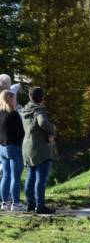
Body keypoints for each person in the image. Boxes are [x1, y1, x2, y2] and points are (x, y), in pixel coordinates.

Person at [21, 86, 57, 214]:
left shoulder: (25, 110)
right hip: (40, 148)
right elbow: (42, 123)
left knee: (30, 177)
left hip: (27, 147)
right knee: (40, 179)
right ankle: (40, 206)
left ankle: (30, 204)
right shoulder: (39, 109)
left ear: (30, 96)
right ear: (41, 98)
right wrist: (53, 129)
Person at [0, 90, 25, 211]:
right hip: (14, 147)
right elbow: (21, 133)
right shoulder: (14, 114)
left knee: (5, 176)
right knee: (15, 176)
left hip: (2, 148)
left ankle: (4, 203)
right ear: (10, 100)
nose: (16, 101)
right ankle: (15, 203)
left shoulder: (0, 113)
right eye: (15, 99)